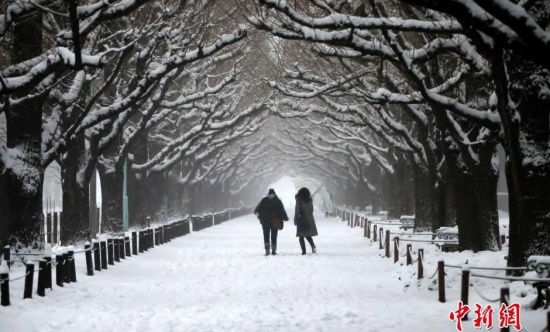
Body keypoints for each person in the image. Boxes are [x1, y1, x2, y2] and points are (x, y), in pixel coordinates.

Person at [254, 188, 289, 256]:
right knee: (274, 236)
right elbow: (282, 210)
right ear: (274, 193)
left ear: (268, 193)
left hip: (265, 221)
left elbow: (256, 211)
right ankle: (273, 250)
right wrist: (285, 218)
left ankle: (267, 248)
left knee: (266, 235)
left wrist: (260, 218)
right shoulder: (278, 201)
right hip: (275, 221)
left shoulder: (263, 200)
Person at [294, 187, 318, 255]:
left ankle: (303, 251)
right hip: (309, 219)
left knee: (301, 236)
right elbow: (311, 210)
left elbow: (297, 210)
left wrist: (296, 219)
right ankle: (313, 246)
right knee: (308, 235)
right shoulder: (309, 200)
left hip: (301, 219)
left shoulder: (299, 200)